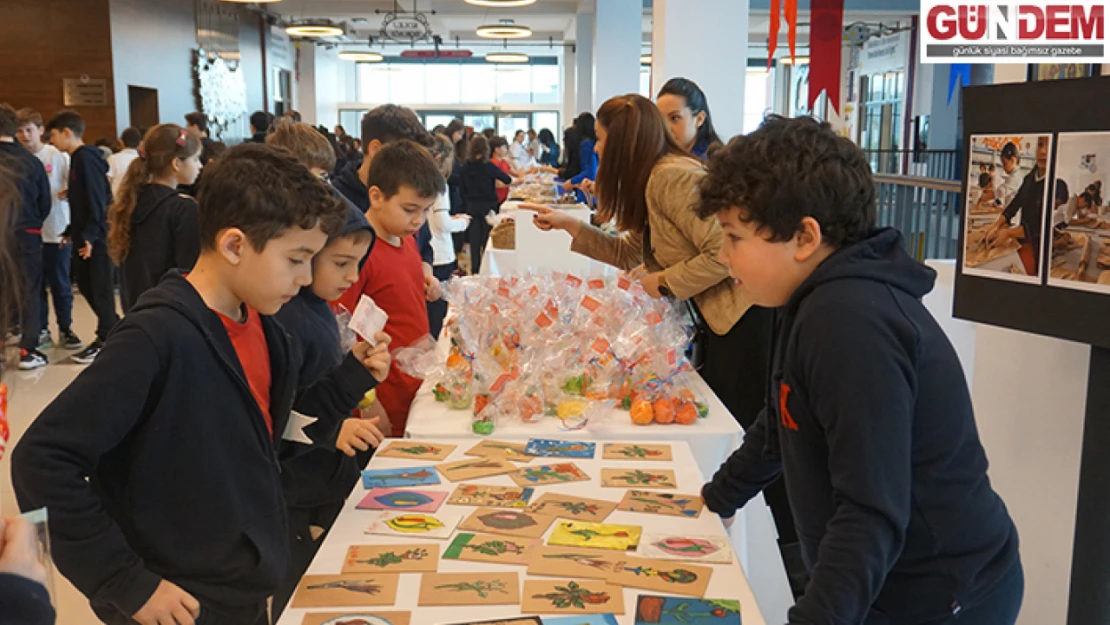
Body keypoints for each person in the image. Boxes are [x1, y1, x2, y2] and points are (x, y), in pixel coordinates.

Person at [697, 114, 1022, 625]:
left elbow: (869, 511)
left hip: (936, 594)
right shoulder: (809, 297)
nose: (722, 255)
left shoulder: (847, 320)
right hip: (885, 577)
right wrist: (716, 499)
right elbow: (782, 419)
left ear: (804, 237)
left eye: (734, 237)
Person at [12, 143, 351, 625]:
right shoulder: (156, 337)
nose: (304, 277)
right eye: (296, 258)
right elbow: (42, 461)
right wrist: (124, 581)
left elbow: (263, 440)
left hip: (242, 585)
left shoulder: (268, 328)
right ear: (235, 245)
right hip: (178, 601)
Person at [265, 123, 390, 617]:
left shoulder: (314, 307)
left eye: (357, 264)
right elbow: (282, 415)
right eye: (340, 263)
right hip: (299, 492)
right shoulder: (284, 316)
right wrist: (330, 428)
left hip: (324, 480)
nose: (351, 278)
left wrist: (356, 372)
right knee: (304, 597)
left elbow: (317, 392)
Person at [338, 141, 445, 437]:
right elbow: (343, 335)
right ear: (376, 196)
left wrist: (426, 277)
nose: (418, 220)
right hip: (384, 393)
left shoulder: (406, 238)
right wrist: (368, 402)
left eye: (425, 211)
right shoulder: (360, 254)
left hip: (415, 382)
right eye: (410, 209)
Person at [330, 105, 441, 309]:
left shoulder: (411, 205)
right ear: (376, 149)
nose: (417, 219)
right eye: (405, 157)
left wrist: (424, 273)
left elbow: (423, 245)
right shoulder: (336, 206)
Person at [45, 110, 119, 363]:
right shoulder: (77, 159)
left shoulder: (86, 158)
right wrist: (70, 231)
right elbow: (83, 200)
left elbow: (98, 201)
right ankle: (114, 331)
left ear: (67, 132)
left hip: (96, 238)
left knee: (99, 289)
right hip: (84, 235)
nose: (51, 141)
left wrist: (89, 235)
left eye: (53, 135)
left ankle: (109, 336)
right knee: (87, 286)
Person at [107, 124, 203, 312]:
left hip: (137, 309)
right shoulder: (183, 208)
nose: (200, 165)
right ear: (176, 163)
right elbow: (191, 272)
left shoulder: (132, 200)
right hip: (172, 312)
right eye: (195, 159)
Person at [16, 109, 83, 353]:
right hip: (29, 235)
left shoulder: (56, 155)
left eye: (29, 130)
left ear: (40, 130)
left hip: (56, 231)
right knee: (34, 286)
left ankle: (65, 328)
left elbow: (73, 183)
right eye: (20, 130)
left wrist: (69, 193)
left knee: (61, 284)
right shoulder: (17, 159)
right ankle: (40, 329)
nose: (25, 135)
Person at [0, 104, 51, 370]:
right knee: (30, 289)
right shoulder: (31, 162)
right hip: (27, 233)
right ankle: (27, 350)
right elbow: (45, 202)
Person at [427, 134, 471, 335]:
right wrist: (462, 223)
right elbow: (442, 223)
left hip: (427, 254)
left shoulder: (419, 182)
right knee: (438, 312)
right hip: (440, 254)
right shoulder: (438, 184)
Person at [987, 136, 1049, 276]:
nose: (1043, 151)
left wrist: (1008, 233)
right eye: (1040, 145)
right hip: (1025, 240)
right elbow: (1016, 203)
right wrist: (996, 225)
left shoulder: (1054, 183)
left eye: (1048, 146)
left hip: (1042, 248)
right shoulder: (1029, 178)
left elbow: (1040, 223)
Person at [460, 136, 512, 274]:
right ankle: (486, 269)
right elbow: (507, 179)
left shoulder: (465, 167)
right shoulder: (489, 166)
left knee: (474, 240)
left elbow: (462, 188)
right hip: (488, 207)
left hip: (471, 206)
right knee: (487, 240)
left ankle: (475, 270)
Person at [656, 77, 723, 160]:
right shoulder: (662, 156)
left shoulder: (710, 164)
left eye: (675, 118)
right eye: (661, 119)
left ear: (699, 119)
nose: (666, 127)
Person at [990, 141, 1025, 210]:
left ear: (1013, 160)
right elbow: (1004, 196)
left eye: (1005, 164)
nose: (1003, 167)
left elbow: (1001, 191)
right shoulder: (1013, 175)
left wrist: (985, 197)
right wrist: (995, 203)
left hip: (1014, 218)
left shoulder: (1016, 177)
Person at [107, 128, 141, 195]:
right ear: (139, 143)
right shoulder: (142, 161)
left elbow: (107, 182)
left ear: (121, 141)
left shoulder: (113, 159)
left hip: (117, 201)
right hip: (138, 201)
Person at [489, 136, 521, 205]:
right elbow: (497, 184)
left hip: (504, 195)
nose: (506, 150)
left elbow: (515, 173)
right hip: (497, 197)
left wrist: (530, 171)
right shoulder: (493, 163)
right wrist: (516, 182)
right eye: (504, 148)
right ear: (496, 149)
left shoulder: (503, 161)